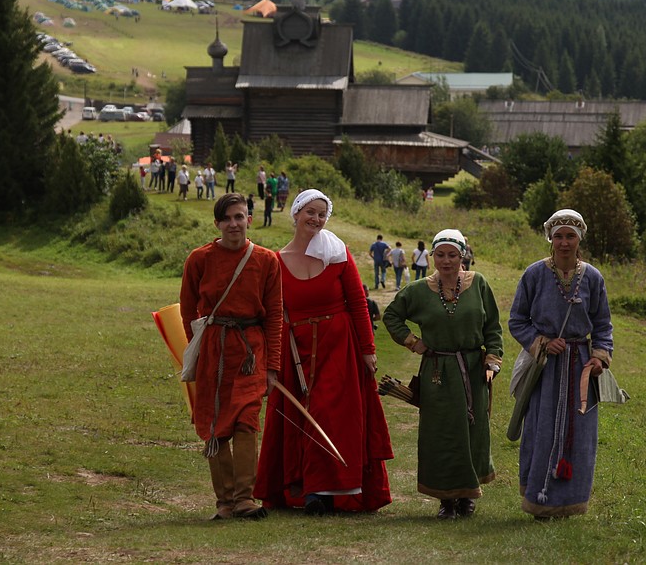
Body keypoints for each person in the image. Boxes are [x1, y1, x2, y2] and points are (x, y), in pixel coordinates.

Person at [256, 189, 393, 515]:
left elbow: (359, 303)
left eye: (321, 214)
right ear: (297, 214)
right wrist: (272, 360)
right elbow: (273, 313)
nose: (315, 219)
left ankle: (327, 491)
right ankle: (304, 487)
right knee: (300, 418)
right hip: (296, 350)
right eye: (310, 212)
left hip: (339, 345)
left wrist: (367, 349)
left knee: (331, 415)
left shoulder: (338, 254)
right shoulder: (276, 261)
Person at [383, 229, 503, 519]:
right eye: (440, 255)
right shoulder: (419, 289)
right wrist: (414, 342)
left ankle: (466, 496)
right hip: (438, 373)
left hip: (473, 370)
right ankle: (445, 500)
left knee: (472, 433)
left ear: (463, 256)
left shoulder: (479, 284)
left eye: (452, 255)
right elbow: (391, 316)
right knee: (441, 434)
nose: (446, 261)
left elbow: (493, 328)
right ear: (432, 256)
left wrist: (492, 359)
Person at [180, 193, 284, 520]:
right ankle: (224, 503)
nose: (233, 224)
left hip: (251, 351)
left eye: (239, 217)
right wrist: (198, 351)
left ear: (249, 220)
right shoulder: (199, 259)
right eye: (227, 218)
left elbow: (275, 317)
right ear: (217, 224)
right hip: (213, 349)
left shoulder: (267, 261)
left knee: (246, 420)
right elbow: (186, 311)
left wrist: (272, 368)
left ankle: (244, 499)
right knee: (215, 425)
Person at [509, 209, 613, 519]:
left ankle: (572, 502)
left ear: (579, 239)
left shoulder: (593, 277)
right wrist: (541, 342)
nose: (564, 242)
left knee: (580, 435)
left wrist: (598, 356)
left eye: (570, 236)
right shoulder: (534, 274)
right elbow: (517, 320)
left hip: (580, 366)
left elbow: (603, 325)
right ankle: (539, 499)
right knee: (542, 429)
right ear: (550, 238)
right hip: (546, 367)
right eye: (559, 236)